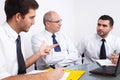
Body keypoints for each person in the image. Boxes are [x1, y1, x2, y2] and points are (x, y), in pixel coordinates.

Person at [0, 0, 64, 80]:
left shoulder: (17, 37)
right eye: (31, 18)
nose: (33, 22)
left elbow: (19, 66)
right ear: (18, 17)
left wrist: (39, 53)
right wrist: (47, 76)